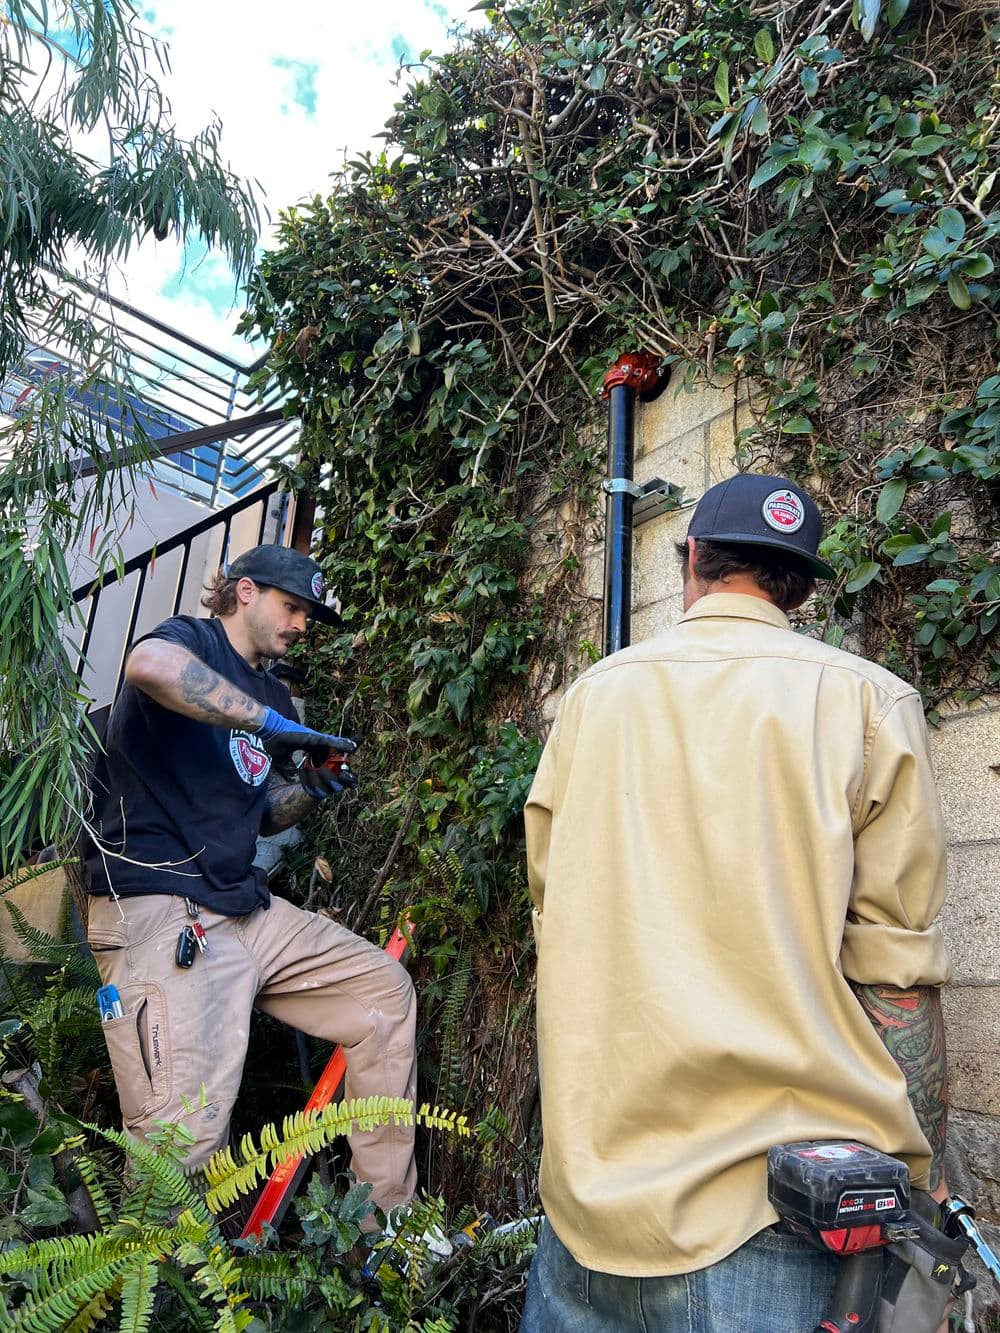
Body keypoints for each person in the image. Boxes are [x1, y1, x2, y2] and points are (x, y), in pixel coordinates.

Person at [520, 474, 953, 1331]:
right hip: (775, 1213)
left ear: (690, 559)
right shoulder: (870, 702)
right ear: (797, 586)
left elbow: (552, 903)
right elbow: (898, 977)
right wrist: (926, 1184)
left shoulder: (591, 699)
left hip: (586, 1204)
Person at [86, 544, 417, 1218]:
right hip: (162, 910)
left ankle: (384, 1230)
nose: (301, 623)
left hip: (242, 907)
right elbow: (146, 666)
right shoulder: (190, 640)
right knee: (181, 1144)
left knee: (384, 992)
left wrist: (310, 788)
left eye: (307, 614)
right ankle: (159, 1304)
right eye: (292, 606)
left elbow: (257, 812)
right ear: (243, 590)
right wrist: (273, 723)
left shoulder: (269, 692)